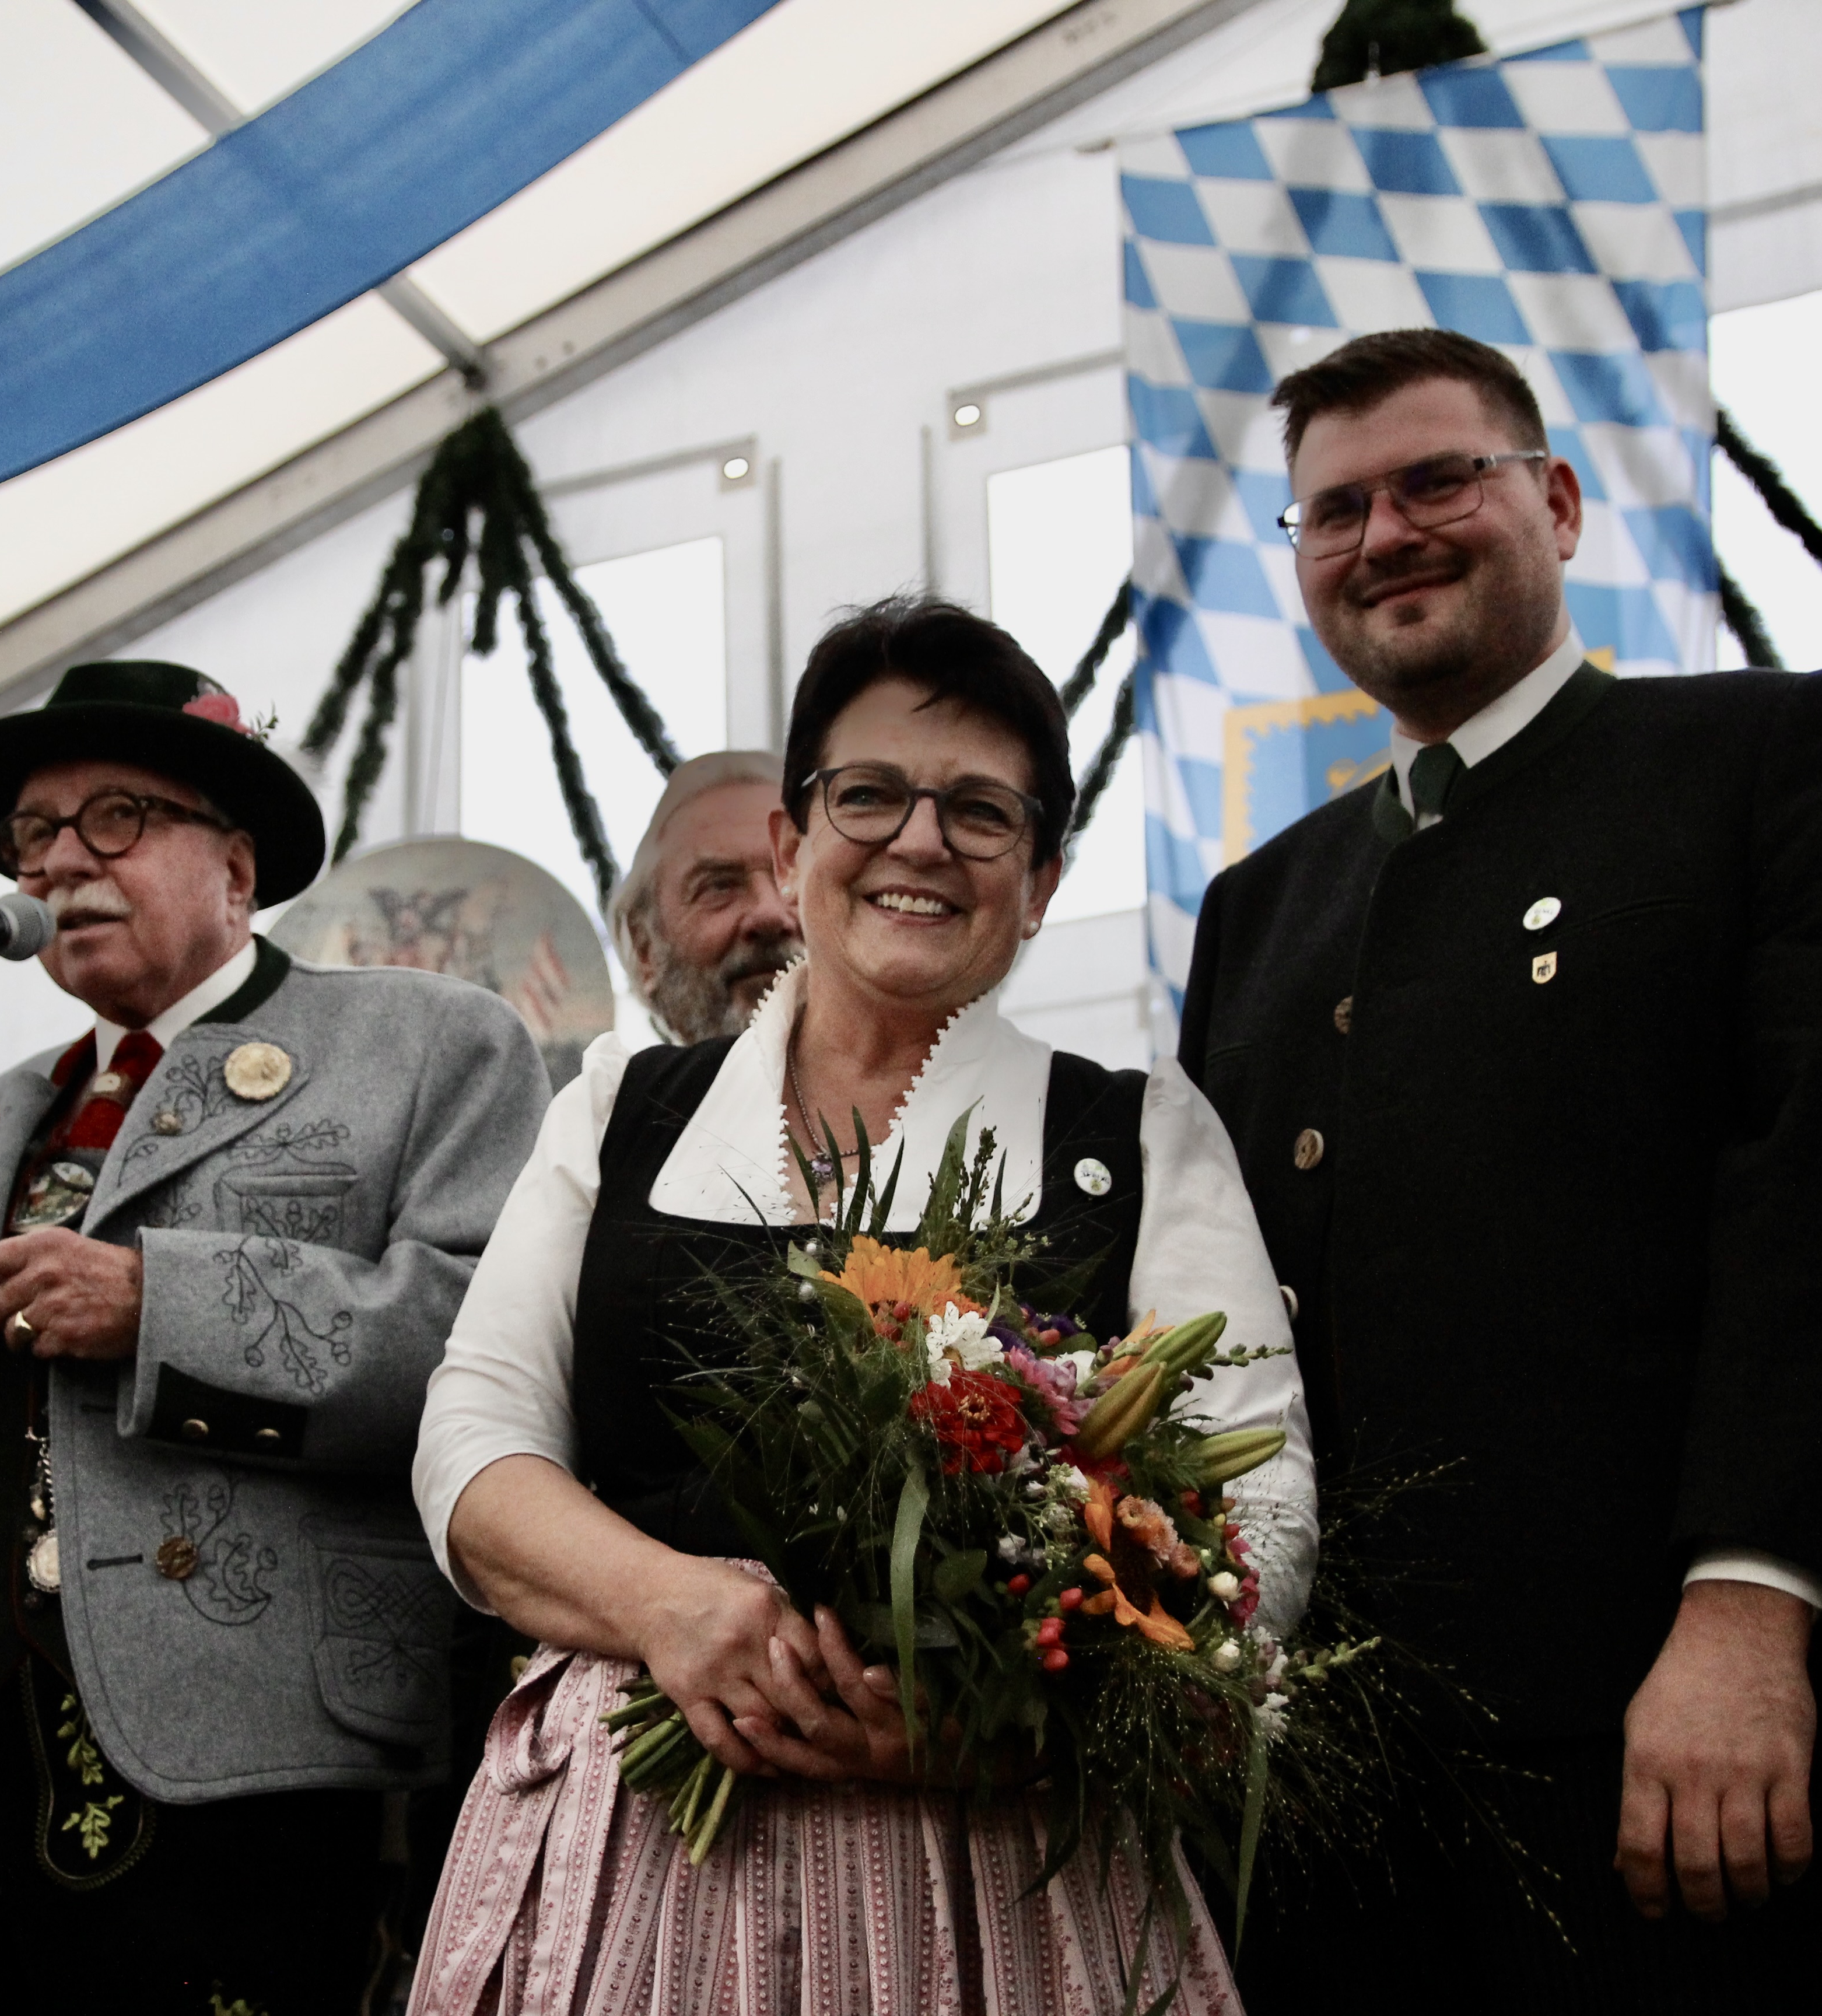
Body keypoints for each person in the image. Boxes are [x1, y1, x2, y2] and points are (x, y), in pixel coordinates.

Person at [1176, 331, 1822, 2011]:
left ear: (1563, 503)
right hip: (1328, 1788)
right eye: (1335, 511)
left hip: (1663, 1740)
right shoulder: (1261, 906)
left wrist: (1755, 1617)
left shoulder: (1771, 760)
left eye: (1439, 479)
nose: (1387, 533)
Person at [409, 597, 1315, 2013]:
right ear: (791, 840)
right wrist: (664, 1602)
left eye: (978, 812)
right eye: (870, 794)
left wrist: (1006, 1715)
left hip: (1001, 1858)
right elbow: (471, 1442)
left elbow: (1257, 1525)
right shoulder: (622, 1110)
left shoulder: (1134, 1137)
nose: (916, 841)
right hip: (635, 1842)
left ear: (1041, 877)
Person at [0, 660, 548, 2014]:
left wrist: (164, 1307)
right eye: (34, 832)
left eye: (117, 816)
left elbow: (481, 1355)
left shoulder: (428, 1041)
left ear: (238, 866)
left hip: (239, 1764)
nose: (61, 860)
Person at [607, 750, 802, 1042]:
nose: (770, 914)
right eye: (720, 886)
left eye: (795, 876)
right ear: (645, 946)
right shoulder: (605, 1088)